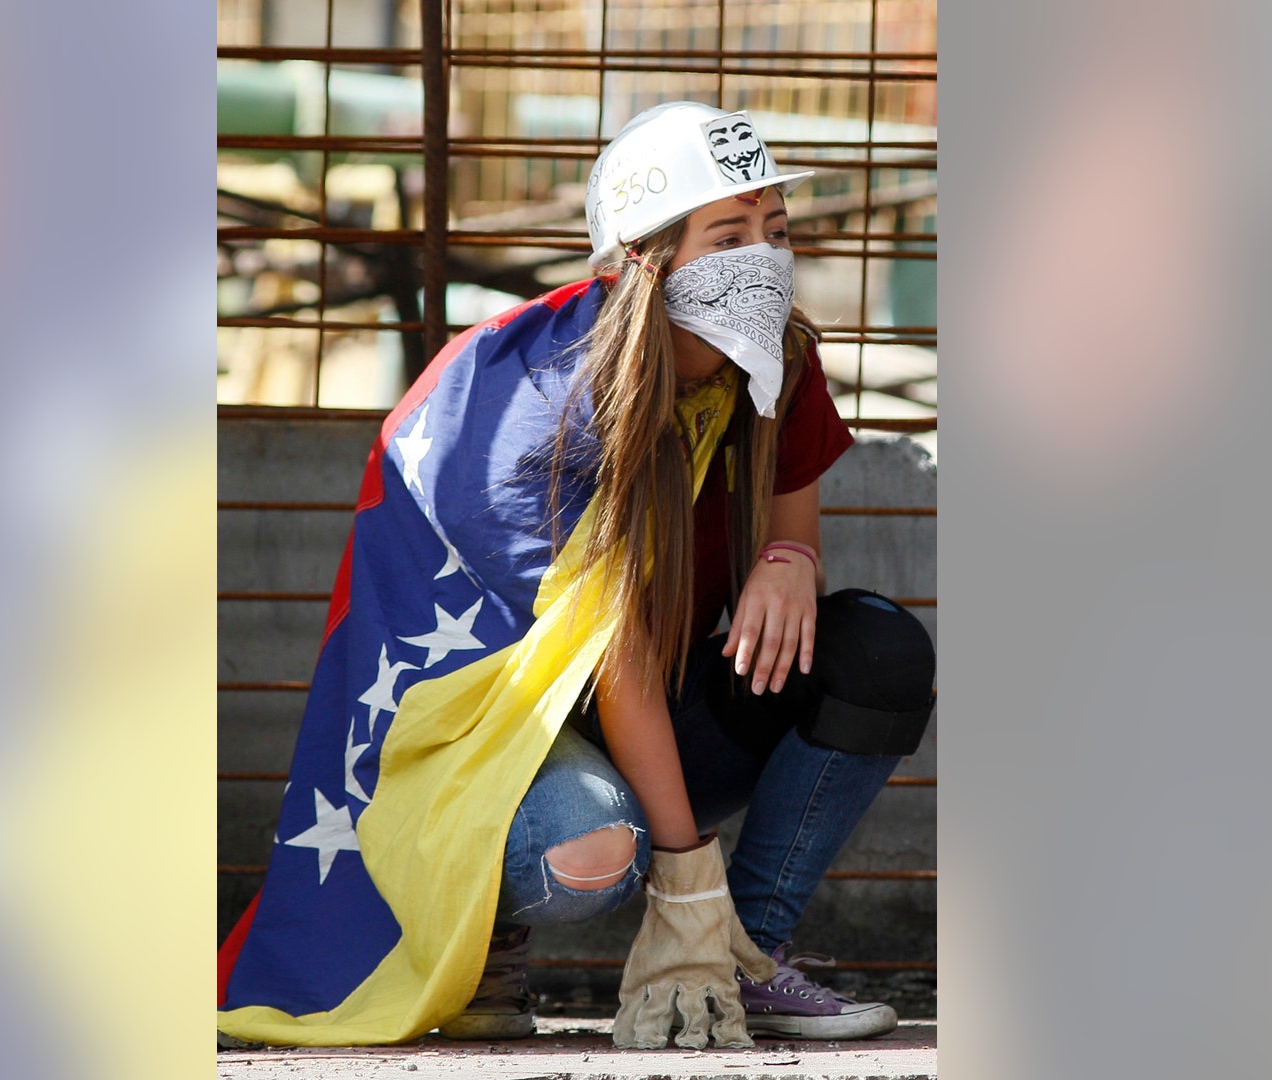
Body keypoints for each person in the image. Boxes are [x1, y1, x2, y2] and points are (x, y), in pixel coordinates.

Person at [216, 101, 935, 1051]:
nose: (762, 257)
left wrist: (787, 557)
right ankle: (489, 945)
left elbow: (791, 501)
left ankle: (749, 954)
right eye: (727, 234)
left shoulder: (778, 356)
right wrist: (686, 882)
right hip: (504, 722)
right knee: (589, 850)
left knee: (878, 650)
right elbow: (614, 655)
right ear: (645, 259)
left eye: (775, 228)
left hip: (659, 690)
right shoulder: (547, 400)